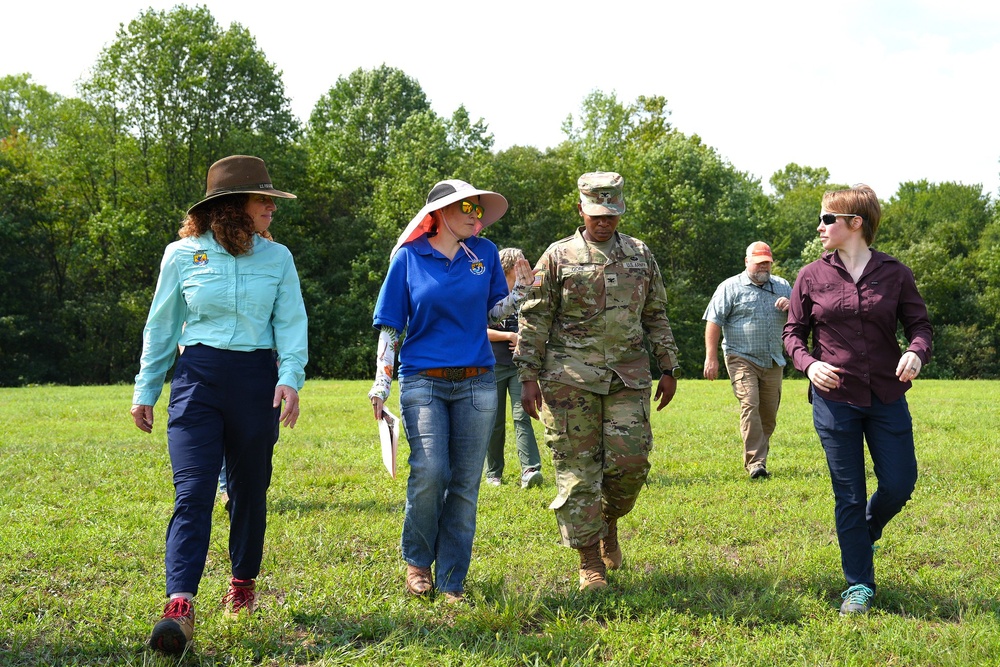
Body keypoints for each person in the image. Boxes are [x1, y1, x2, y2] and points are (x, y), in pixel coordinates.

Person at [131, 155, 307, 654]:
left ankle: (243, 583)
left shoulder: (279, 259)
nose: (272, 207)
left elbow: (291, 325)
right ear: (232, 206)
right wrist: (147, 390)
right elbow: (162, 327)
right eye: (263, 199)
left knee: (250, 490)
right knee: (193, 491)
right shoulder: (182, 255)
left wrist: (290, 379)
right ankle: (179, 604)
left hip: (257, 380)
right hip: (196, 381)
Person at [368, 179, 532, 602]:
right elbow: (391, 325)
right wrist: (381, 384)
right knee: (431, 470)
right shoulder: (408, 258)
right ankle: (418, 561)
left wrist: (522, 294)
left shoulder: (486, 255)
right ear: (440, 214)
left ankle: (453, 579)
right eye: (467, 209)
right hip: (424, 380)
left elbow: (494, 310)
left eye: (479, 210)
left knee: (464, 482)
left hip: (478, 381)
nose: (476, 217)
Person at [515, 171, 680, 592]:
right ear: (581, 210)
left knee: (631, 464)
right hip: (569, 378)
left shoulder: (640, 254)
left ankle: (607, 522)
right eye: (595, 214)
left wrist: (668, 365)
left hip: (628, 374)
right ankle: (590, 562)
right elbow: (534, 318)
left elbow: (655, 313)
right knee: (577, 472)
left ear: (620, 211)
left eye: (611, 214)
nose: (603, 222)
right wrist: (528, 376)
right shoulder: (557, 256)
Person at [783, 184, 932, 615]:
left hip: (887, 394)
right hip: (835, 399)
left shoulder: (895, 273)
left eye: (828, 219)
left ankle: (862, 532)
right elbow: (793, 333)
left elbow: (920, 325)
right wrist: (809, 364)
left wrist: (915, 352)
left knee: (900, 483)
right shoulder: (811, 275)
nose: (820, 226)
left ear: (855, 223)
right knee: (848, 493)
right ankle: (858, 585)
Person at [703, 241, 791, 479]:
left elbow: (801, 317)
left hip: (773, 359)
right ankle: (756, 463)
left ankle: (759, 458)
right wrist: (711, 357)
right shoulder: (730, 287)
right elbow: (714, 321)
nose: (764, 267)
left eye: (767, 263)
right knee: (750, 404)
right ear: (747, 262)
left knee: (768, 415)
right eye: (759, 262)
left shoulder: (783, 286)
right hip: (741, 357)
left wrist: (792, 308)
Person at [485, 247, 543, 490]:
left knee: (523, 416)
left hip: (520, 367)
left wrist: (526, 340)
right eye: (516, 272)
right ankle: (493, 473)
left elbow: (537, 325)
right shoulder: (490, 293)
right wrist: (509, 335)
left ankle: (530, 469)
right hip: (493, 366)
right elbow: (479, 329)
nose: (521, 276)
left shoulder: (527, 295)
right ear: (506, 271)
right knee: (494, 422)